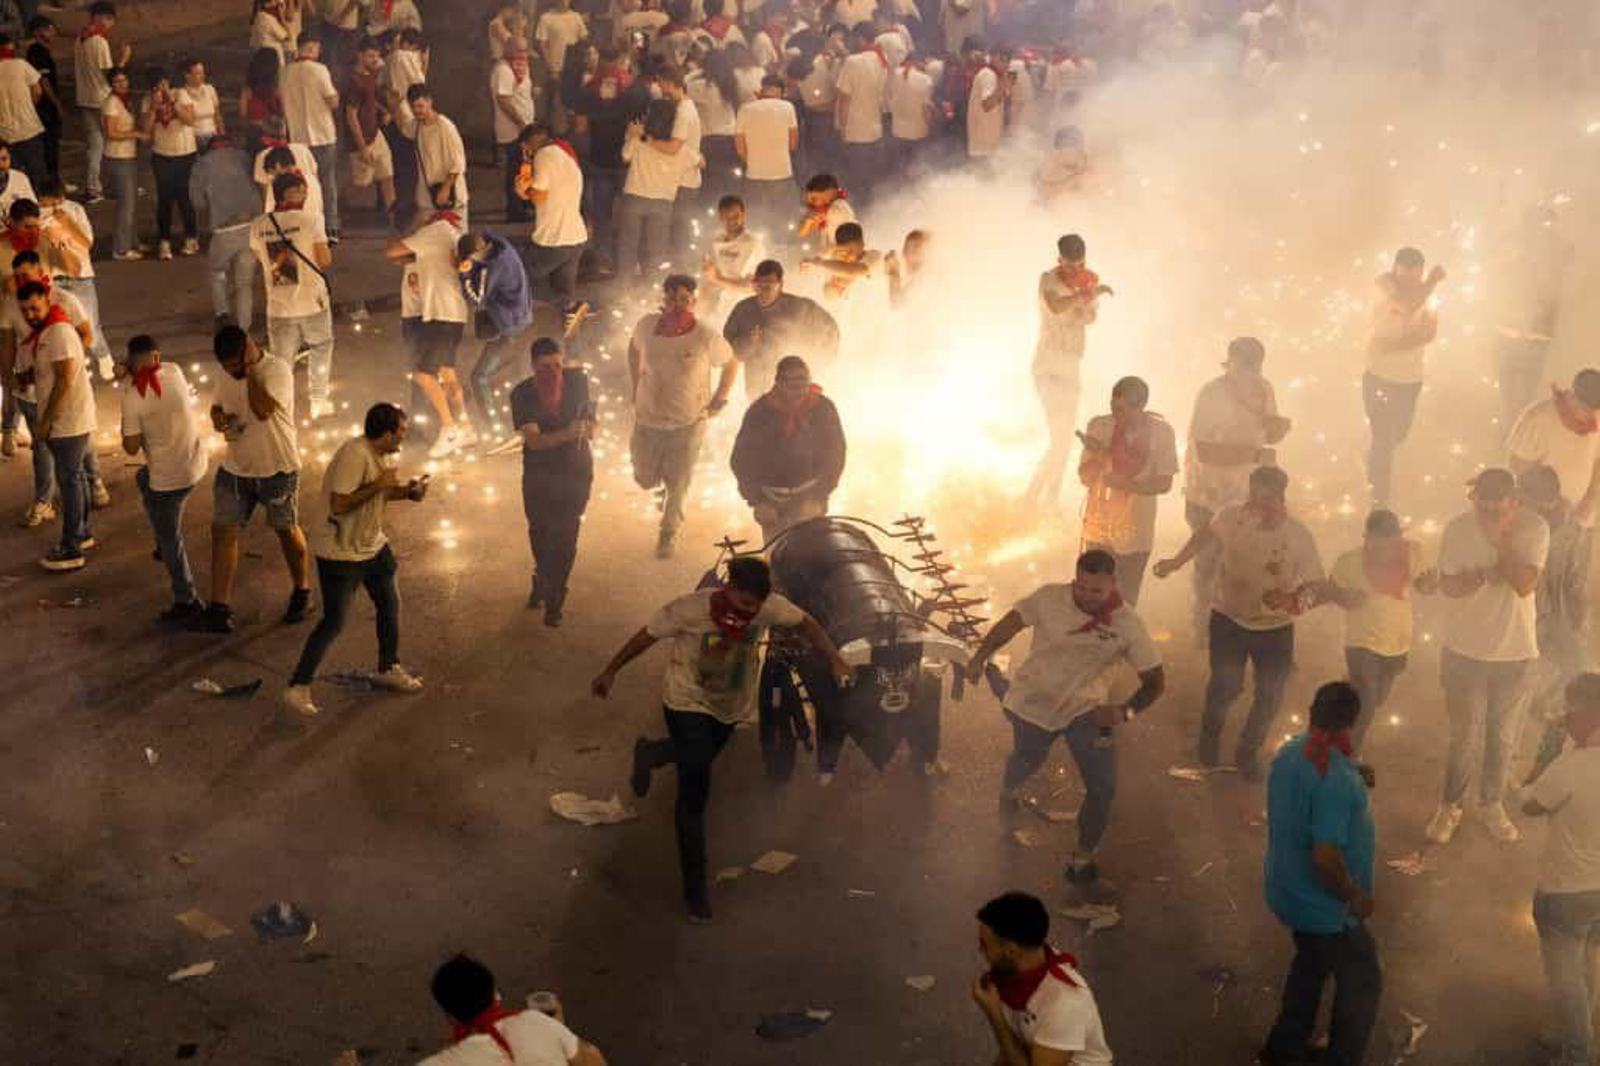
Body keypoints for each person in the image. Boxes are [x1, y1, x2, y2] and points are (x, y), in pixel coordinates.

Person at [591, 555, 852, 921]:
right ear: (729, 590)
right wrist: (610, 671)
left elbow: (807, 622)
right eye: (745, 604)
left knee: (697, 757)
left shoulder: (768, 608)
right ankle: (695, 891)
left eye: (756, 607)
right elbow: (645, 636)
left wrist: (835, 659)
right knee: (694, 794)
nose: (750, 612)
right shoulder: (690, 609)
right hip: (685, 701)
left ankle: (651, 752)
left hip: (729, 708)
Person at [966, 550, 1166, 896]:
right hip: (1035, 702)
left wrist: (1124, 712)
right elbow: (1010, 623)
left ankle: (1082, 861)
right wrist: (980, 655)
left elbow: (1155, 682)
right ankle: (1009, 791)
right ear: (1075, 581)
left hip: (1085, 711)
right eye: (1083, 589)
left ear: (1113, 586)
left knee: (1103, 787)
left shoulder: (1128, 624)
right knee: (1027, 759)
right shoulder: (1048, 598)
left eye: (1097, 592)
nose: (1088, 597)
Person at [1154, 465, 1325, 781]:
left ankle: (1248, 751)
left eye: (1268, 499)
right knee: (1225, 685)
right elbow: (1205, 534)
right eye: (1254, 496)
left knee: (1270, 693)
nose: (1259, 505)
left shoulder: (1297, 535)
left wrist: (1292, 601)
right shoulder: (1231, 516)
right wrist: (1176, 562)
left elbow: (1316, 584)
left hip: (1275, 628)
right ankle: (1209, 738)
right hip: (1228, 618)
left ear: (1281, 498)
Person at [1259, 681, 1381, 1066]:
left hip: (1286, 888)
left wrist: (1353, 768)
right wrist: (1354, 895)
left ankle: (1282, 1050)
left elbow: (1314, 778)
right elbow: (1326, 856)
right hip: (1325, 909)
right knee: (1363, 980)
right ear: (1351, 723)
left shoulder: (1289, 752)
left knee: (1311, 966)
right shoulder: (1337, 782)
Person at [1426, 467, 1547, 845]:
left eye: (1497, 510)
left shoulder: (1534, 528)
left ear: (1515, 503)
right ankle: (1450, 806)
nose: (1487, 516)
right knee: (1464, 737)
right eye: (1482, 509)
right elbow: (1448, 585)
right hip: (1464, 650)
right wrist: (1482, 575)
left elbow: (1525, 585)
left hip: (1516, 652)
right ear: (1472, 500)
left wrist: (1503, 543)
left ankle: (1491, 803)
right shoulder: (1458, 528)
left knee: (1502, 738)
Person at [282, 403, 426, 716]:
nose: (404, 435)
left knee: (390, 605)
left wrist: (407, 492)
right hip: (341, 552)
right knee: (334, 622)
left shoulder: (384, 455)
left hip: (373, 545)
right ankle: (298, 686)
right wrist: (380, 484)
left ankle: (389, 666)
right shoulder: (353, 454)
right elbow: (341, 503)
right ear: (387, 433)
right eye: (401, 430)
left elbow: (378, 494)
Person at [190, 326, 312, 635]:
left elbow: (263, 410)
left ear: (247, 349)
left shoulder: (277, 369)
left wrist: (250, 371)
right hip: (236, 467)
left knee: (286, 530)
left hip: (277, 468)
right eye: (226, 366)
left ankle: (302, 590)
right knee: (223, 532)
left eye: (234, 364)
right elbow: (218, 403)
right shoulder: (225, 374)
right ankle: (220, 608)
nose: (230, 372)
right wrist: (216, 416)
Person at [1179, 336, 1292, 641]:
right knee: (1208, 565)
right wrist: (1254, 455)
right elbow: (1205, 452)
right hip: (1208, 494)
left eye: (1256, 366)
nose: (1251, 373)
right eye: (1245, 365)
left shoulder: (1263, 388)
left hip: (1248, 496)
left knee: (1246, 563)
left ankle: (1239, 627)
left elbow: (1266, 435)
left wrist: (1277, 430)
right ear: (1230, 362)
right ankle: (1202, 631)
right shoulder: (1212, 394)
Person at [628, 273, 736, 557]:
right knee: (643, 478)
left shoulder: (705, 335)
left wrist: (719, 400)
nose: (678, 304)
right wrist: (634, 384)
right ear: (663, 300)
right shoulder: (646, 326)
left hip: (688, 422)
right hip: (647, 418)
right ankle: (659, 486)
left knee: (680, 481)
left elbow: (731, 361)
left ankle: (668, 533)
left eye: (684, 299)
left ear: (694, 301)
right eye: (672, 298)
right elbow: (633, 347)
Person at [1522, 674, 1600, 1066]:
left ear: (1589, 716)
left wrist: (1547, 757)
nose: (1564, 719)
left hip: (1566, 892)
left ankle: (1579, 1054)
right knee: (1589, 961)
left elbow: (1529, 803)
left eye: (1571, 711)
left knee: (1566, 977)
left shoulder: (1573, 766)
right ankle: (1565, 1029)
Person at [1325, 510, 1436, 748]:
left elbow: (1425, 585)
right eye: (1379, 542)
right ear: (1367, 538)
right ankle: (1344, 756)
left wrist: (1428, 585)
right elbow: (1331, 590)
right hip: (1361, 641)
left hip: (1398, 641)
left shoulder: (1413, 553)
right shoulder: (1349, 561)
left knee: (1377, 698)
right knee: (1366, 699)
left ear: (1399, 538)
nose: (1386, 549)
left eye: (1392, 542)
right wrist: (1345, 598)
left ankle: (1343, 710)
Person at [119, 335, 208, 622]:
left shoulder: (132, 396)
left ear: (131, 360)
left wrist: (127, 386)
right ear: (156, 357)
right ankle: (161, 540)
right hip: (195, 463)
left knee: (172, 539)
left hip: (169, 480)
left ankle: (187, 600)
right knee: (141, 479)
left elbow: (131, 447)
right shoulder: (174, 371)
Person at [972, 891, 1114, 1065]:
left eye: (985, 945)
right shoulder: (1019, 971)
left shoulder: (1063, 1004)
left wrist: (995, 1015)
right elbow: (1015, 1047)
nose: (980, 950)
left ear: (1011, 951)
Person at [1022, 234, 1112, 510]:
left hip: (1071, 367)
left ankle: (1044, 499)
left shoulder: (1089, 280)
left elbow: (1090, 318)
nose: (1074, 270)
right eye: (1069, 265)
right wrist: (1086, 296)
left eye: (1079, 264)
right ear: (1059, 259)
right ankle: (1033, 498)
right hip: (1048, 367)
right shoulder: (1048, 279)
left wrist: (1087, 301)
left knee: (1064, 441)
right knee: (1060, 437)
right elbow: (1055, 306)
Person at [511, 337, 594, 625]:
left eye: (558, 365)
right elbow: (534, 442)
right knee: (540, 533)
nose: (554, 372)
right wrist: (569, 433)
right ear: (533, 366)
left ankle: (556, 597)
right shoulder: (521, 395)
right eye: (545, 367)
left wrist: (585, 428)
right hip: (539, 476)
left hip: (576, 472)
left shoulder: (578, 380)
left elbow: (591, 423)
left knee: (567, 536)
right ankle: (542, 579)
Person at [1520, 465, 1593, 786]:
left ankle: (1543, 763)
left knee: (1572, 688)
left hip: (1559, 618)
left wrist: (1579, 620)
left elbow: (1576, 576)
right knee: (1515, 694)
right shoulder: (1514, 522)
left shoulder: (1572, 527)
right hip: (1520, 620)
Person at [1077, 376, 1178, 605]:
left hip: (1136, 531)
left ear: (1140, 407)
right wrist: (1101, 456)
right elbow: (1084, 478)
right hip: (1098, 529)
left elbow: (1165, 483)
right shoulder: (1100, 426)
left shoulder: (1162, 432)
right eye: (1113, 408)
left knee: (1125, 602)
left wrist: (1128, 486)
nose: (1116, 416)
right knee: (1091, 597)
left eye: (1122, 410)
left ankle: (1119, 640)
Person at [17, 280, 95, 570]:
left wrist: (45, 421)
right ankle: (82, 534)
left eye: (35, 308)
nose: (30, 315)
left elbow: (64, 380)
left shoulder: (59, 333)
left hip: (68, 421)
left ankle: (71, 548)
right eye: (25, 310)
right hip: (69, 419)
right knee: (76, 478)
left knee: (70, 481)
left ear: (47, 302)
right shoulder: (47, 333)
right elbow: (51, 374)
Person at [387, 205, 475, 456]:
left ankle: (449, 430)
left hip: (442, 316)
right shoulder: (448, 232)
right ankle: (466, 428)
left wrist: (411, 231)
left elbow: (391, 251)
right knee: (447, 374)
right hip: (452, 314)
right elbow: (406, 258)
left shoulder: (433, 231)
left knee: (422, 374)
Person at [730, 356, 845, 543]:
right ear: (778, 383)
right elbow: (741, 460)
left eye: (802, 380)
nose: (798, 387)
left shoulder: (823, 408)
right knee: (778, 556)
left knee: (812, 555)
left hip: (810, 494)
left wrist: (820, 495)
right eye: (791, 381)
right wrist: (757, 500)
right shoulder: (760, 412)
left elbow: (836, 454)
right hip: (771, 498)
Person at [1364, 247, 1445, 505]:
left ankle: (1375, 464)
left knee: (1398, 435)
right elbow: (1405, 305)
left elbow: (1429, 333)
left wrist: (1392, 346)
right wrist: (1431, 282)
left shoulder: (1428, 296)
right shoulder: (1384, 285)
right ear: (1395, 269)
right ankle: (1379, 499)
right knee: (1383, 438)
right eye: (1405, 271)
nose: (1411, 277)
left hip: (1410, 380)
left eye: (1416, 273)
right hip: (1378, 375)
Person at [420, 953, 606, 1066]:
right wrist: (555, 1030)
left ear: (450, 1018)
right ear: (496, 995)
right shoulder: (536, 1022)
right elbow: (594, 1061)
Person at [251, 171, 335, 419]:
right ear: (288, 193)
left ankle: (281, 406)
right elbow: (324, 260)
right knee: (320, 347)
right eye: (300, 189)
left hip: (278, 306)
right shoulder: (311, 219)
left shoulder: (258, 225)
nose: (305, 193)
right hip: (312, 302)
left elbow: (262, 260)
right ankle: (318, 400)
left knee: (281, 360)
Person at [1496, 204, 1572, 433]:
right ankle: (1512, 430)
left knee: (1522, 390)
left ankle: (1515, 431)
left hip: (1534, 333)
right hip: (1513, 330)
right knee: (1514, 390)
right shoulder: (1517, 245)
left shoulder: (1554, 246)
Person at [721, 259, 838, 399]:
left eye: (768, 286)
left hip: (795, 391)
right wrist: (749, 342)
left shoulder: (800, 307)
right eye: (758, 286)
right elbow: (729, 351)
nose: (762, 291)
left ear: (780, 285)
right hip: (757, 390)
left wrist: (816, 364)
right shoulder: (743, 310)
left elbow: (830, 331)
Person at [458, 228, 532, 432]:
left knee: (479, 377)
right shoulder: (498, 241)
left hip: (509, 327)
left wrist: (464, 275)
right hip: (521, 314)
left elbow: (476, 299)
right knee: (510, 370)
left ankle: (497, 431)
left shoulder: (492, 269)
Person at [1509, 368, 1600, 522]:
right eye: (1586, 409)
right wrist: (1548, 503)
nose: (1590, 415)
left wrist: (1590, 499)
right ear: (1572, 395)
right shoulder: (1539, 417)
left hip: (1577, 516)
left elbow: (1597, 461)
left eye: (1595, 410)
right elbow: (1518, 465)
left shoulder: (1596, 419)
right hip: (1539, 514)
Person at [615, 93, 689, 281]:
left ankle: (623, 289)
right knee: (657, 250)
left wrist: (632, 135)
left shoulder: (639, 142)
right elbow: (700, 161)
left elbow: (624, 156)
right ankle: (654, 290)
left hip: (635, 197)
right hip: (663, 202)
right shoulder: (679, 148)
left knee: (628, 246)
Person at [189, 134, 260, 329]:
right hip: (252, 229)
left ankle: (223, 316)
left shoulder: (202, 164)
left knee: (217, 273)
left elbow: (198, 202)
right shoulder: (244, 157)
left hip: (224, 231)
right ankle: (244, 329)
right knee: (244, 284)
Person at [514, 122, 588, 310]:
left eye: (525, 148)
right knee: (563, 294)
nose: (526, 153)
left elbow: (539, 196)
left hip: (553, 239)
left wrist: (524, 190)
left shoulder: (544, 155)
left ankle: (567, 303)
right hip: (576, 237)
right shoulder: (565, 153)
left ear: (527, 144)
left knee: (516, 276)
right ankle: (571, 322)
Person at [279, 30, 342, 241]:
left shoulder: (285, 72)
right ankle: (331, 228)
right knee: (327, 182)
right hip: (323, 135)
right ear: (313, 47)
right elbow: (332, 102)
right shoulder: (320, 70)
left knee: (303, 185)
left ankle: (307, 228)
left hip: (297, 138)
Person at [138, 66, 200, 260]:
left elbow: (190, 119)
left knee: (184, 197)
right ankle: (164, 241)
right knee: (164, 199)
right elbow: (146, 133)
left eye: (164, 83)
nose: (161, 88)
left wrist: (173, 102)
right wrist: (153, 110)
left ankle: (191, 237)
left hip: (185, 153)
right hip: (162, 155)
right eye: (156, 86)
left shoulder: (180, 94)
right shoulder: (147, 101)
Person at [74, 1, 130, 204]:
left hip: (85, 99)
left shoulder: (80, 39)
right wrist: (124, 58)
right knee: (112, 145)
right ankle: (116, 187)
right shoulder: (99, 42)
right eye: (110, 20)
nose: (111, 24)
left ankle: (93, 189)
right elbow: (112, 76)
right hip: (102, 100)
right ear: (103, 18)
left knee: (95, 147)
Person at [733, 74, 798, 237]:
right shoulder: (788, 107)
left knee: (754, 222)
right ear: (779, 91)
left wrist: (754, 161)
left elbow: (739, 147)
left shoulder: (745, 109)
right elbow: (793, 144)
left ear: (763, 89)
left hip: (754, 175)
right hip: (782, 172)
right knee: (783, 221)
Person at [344, 38, 397, 226]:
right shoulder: (353, 80)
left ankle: (394, 219)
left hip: (375, 134)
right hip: (362, 139)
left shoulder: (371, 74)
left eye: (376, 55)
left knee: (387, 175)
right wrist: (361, 147)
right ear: (360, 55)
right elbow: (351, 115)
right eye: (370, 56)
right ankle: (336, 207)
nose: (375, 59)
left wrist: (383, 111)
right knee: (360, 184)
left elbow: (371, 99)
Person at [832, 25, 887, 202]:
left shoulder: (853, 62)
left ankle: (861, 215)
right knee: (872, 180)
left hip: (855, 132)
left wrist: (842, 129)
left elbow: (844, 99)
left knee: (856, 181)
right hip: (875, 129)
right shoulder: (881, 59)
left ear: (860, 39)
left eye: (854, 38)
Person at [101, 67, 147, 260]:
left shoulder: (123, 101)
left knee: (131, 203)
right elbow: (110, 133)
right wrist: (135, 134)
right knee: (126, 205)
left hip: (127, 156)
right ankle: (121, 249)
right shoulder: (112, 103)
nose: (122, 84)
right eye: (117, 81)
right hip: (118, 158)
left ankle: (132, 241)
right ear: (111, 84)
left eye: (124, 80)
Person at [492, 39, 538, 223]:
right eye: (519, 49)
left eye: (525, 49)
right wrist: (520, 123)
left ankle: (522, 205)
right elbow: (503, 100)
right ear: (508, 48)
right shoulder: (504, 70)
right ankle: (514, 211)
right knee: (515, 171)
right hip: (514, 131)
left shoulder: (518, 67)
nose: (523, 52)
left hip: (523, 128)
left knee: (523, 169)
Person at [409, 84, 468, 226]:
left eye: (420, 106)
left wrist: (445, 189)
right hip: (427, 198)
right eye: (413, 107)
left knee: (455, 241)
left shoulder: (445, 126)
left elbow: (458, 162)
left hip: (450, 197)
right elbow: (404, 127)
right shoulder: (416, 126)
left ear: (430, 102)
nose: (417, 111)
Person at [697, 194, 762, 316]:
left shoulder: (753, 244)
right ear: (720, 218)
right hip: (719, 308)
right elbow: (708, 279)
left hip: (744, 310)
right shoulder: (716, 243)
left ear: (743, 215)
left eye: (735, 216)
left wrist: (717, 279)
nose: (731, 221)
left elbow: (752, 288)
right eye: (726, 217)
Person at [0, 33, 45, 182]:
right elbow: (38, 90)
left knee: (14, 178)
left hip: (5, 133)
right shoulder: (21, 64)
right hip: (29, 128)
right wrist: (30, 105)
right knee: (37, 173)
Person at [26, 17, 64, 183]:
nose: (53, 32)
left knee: (51, 145)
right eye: (49, 28)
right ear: (38, 32)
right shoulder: (37, 52)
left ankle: (53, 179)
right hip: (46, 107)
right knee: (50, 146)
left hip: (46, 106)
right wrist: (56, 103)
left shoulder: (41, 51)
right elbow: (44, 81)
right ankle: (52, 182)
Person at [796, 171, 855, 252]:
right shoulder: (824, 210)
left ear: (829, 193)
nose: (811, 203)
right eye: (809, 200)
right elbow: (801, 233)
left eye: (814, 199)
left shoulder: (838, 210)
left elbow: (851, 245)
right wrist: (808, 222)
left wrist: (825, 255)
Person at [174, 57, 223, 152]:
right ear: (187, 75)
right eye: (198, 73)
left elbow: (217, 115)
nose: (203, 76)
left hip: (213, 136)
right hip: (195, 138)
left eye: (203, 72)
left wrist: (222, 134)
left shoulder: (210, 89)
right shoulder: (182, 93)